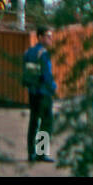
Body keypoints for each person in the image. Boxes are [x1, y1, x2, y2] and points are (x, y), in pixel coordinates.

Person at [23, 26, 58, 163]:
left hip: (32, 91)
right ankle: (41, 153)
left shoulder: (29, 52)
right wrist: (53, 88)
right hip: (43, 92)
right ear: (40, 37)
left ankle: (31, 153)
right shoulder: (43, 54)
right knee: (46, 122)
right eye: (48, 36)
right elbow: (47, 75)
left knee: (33, 121)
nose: (51, 38)